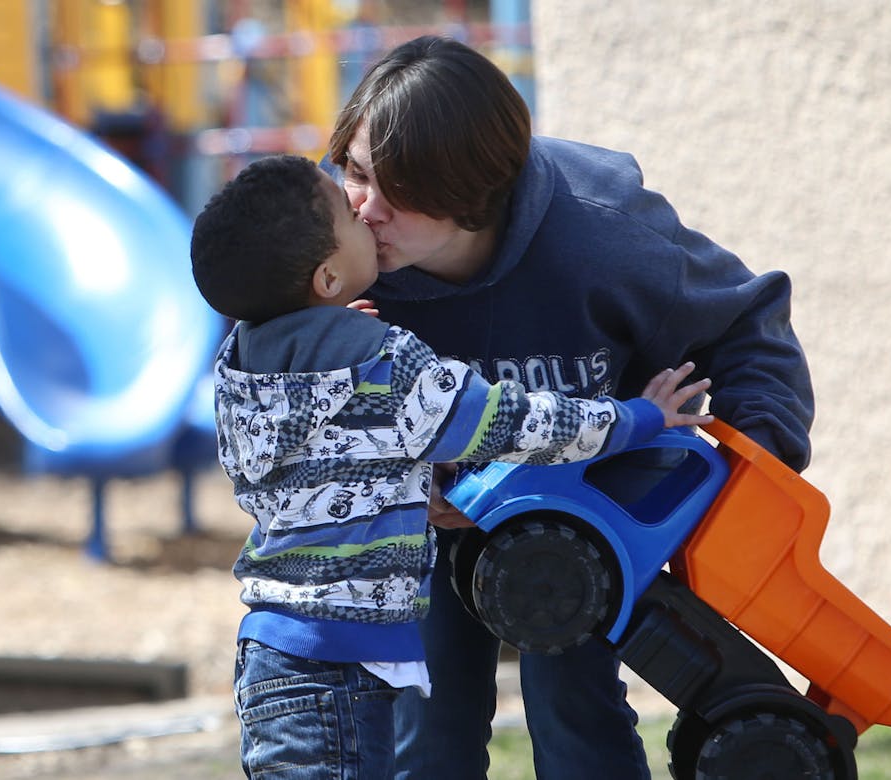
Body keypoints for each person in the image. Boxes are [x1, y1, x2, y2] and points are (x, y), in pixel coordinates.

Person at [323, 36, 815, 779]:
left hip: (578, 514)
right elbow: (261, 406)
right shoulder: (327, 250)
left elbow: (747, 323)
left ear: (474, 194)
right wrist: (388, 474)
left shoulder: (602, 235)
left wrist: (745, 487)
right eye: (355, 172)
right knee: (423, 731)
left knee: (571, 706)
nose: (366, 210)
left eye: (401, 191)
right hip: (411, 531)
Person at [190, 153, 715, 779]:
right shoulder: (383, 364)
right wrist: (638, 418)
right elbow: (512, 423)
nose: (363, 208)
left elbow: (315, 461)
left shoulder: (240, 371)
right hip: (341, 667)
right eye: (347, 213)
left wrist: (327, 329)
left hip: (270, 658)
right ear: (328, 279)